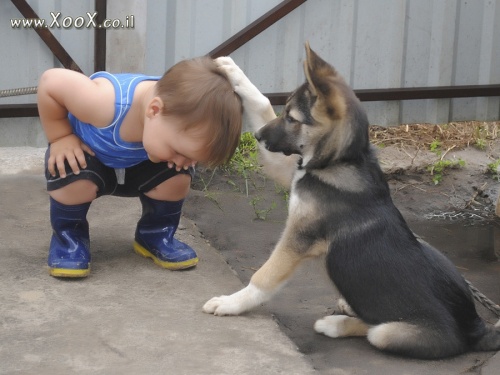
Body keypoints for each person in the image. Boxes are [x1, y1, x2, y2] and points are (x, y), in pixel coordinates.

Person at [37, 56, 243, 278]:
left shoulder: (171, 125)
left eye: (194, 159)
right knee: (69, 168)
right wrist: (60, 136)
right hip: (91, 159)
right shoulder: (102, 103)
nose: (183, 161)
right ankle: (69, 238)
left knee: (178, 176)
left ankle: (155, 234)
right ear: (155, 110)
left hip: (140, 166)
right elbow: (51, 82)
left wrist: (180, 158)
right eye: (179, 151)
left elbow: (180, 159)